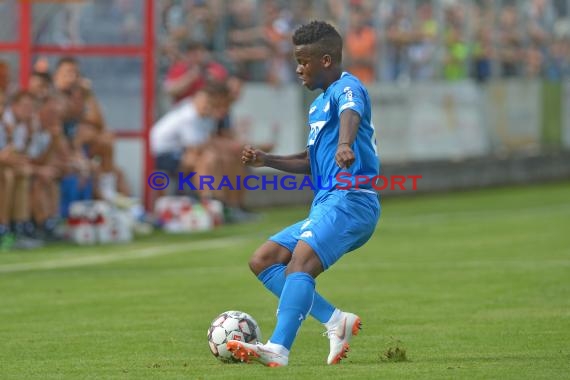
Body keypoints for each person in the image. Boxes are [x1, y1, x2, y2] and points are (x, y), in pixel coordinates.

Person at [226, 20, 380, 366]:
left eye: (303, 60)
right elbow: (309, 161)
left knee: (300, 265)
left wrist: (344, 144)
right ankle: (335, 320)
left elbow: (351, 112)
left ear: (325, 60)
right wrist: (267, 159)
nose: (297, 69)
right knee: (264, 259)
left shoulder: (347, 87)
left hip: (351, 198)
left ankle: (278, 348)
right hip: (328, 201)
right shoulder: (317, 105)